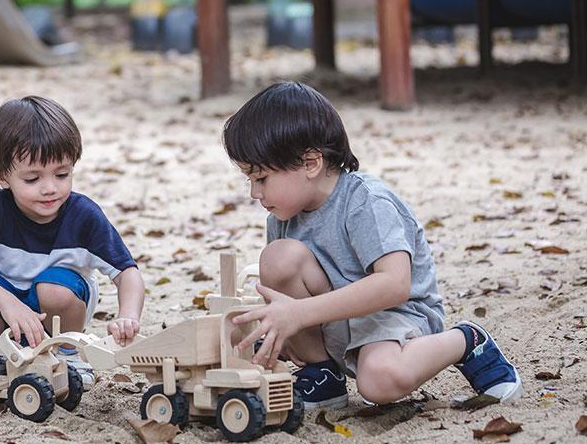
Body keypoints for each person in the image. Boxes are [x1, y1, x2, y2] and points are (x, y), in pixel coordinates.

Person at [222, 81, 522, 409]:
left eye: (261, 178)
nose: (254, 193)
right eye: (249, 179)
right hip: (336, 317)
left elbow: (395, 285)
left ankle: (467, 341)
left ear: (311, 163)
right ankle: (322, 376)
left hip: (394, 314)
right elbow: (290, 300)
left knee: (379, 383)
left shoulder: (366, 202)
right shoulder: (281, 217)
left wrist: (298, 313)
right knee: (277, 258)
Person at [0, 95, 144, 384]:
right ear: (1, 175)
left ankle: (67, 354)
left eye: (62, 174)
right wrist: (7, 303)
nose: (50, 188)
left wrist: (128, 314)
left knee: (53, 289)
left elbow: (127, 272)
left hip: (59, 309)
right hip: (6, 307)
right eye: (32, 179)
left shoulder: (83, 215)